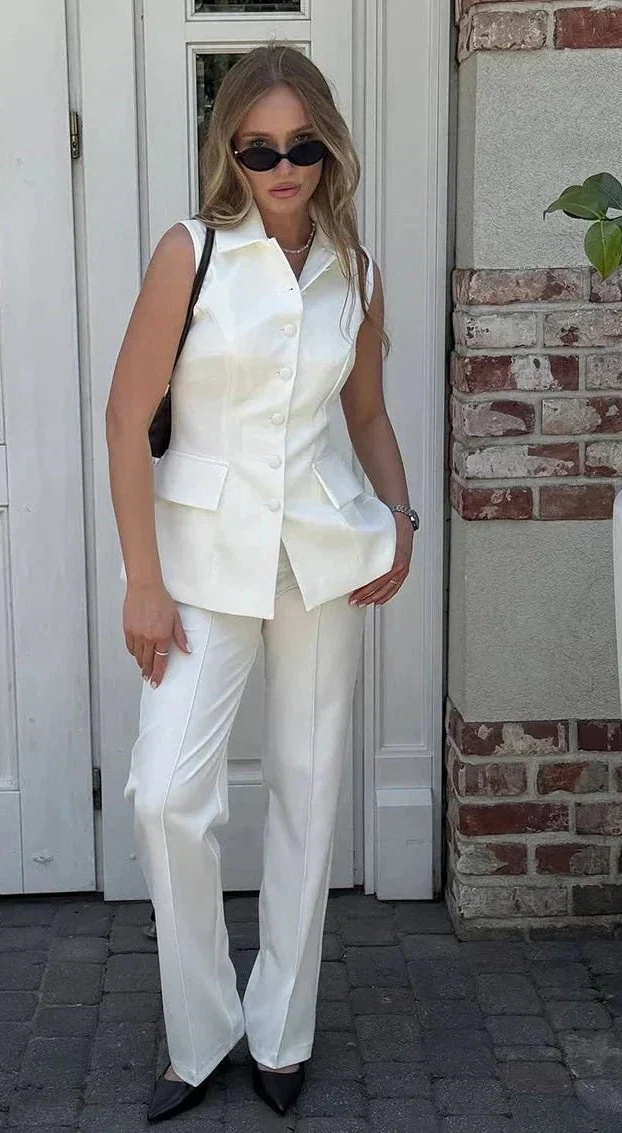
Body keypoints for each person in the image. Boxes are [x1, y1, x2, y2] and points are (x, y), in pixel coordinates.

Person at [105, 42, 417, 1125]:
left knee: (308, 790)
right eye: (259, 149)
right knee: (165, 794)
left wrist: (400, 519)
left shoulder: (355, 272)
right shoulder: (189, 253)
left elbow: (366, 413)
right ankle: (201, 1032)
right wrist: (143, 582)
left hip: (322, 556)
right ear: (229, 153)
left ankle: (282, 1029)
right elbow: (125, 418)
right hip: (200, 562)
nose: (283, 168)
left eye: (302, 147)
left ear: (329, 150)